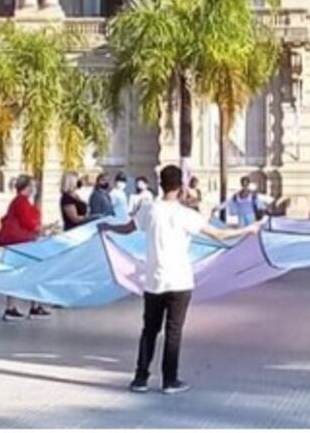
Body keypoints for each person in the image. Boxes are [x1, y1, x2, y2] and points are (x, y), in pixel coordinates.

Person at [102, 164, 264, 394]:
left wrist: (108, 227)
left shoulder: (148, 209)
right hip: (179, 281)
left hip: (154, 280)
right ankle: (170, 380)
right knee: (173, 331)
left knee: (149, 330)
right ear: (180, 187)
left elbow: (128, 228)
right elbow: (219, 234)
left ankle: (140, 378)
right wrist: (249, 229)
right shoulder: (187, 215)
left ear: (161, 184)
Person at [0, 175, 51, 321]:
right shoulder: (22, 202)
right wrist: (40, 228)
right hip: (21, 243)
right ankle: (19, 306)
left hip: (19, 243)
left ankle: (23, 305)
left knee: (21, 273)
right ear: (27, 187)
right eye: (32, 185)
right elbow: (29, 222)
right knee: (27, 273)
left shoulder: (18, 201)